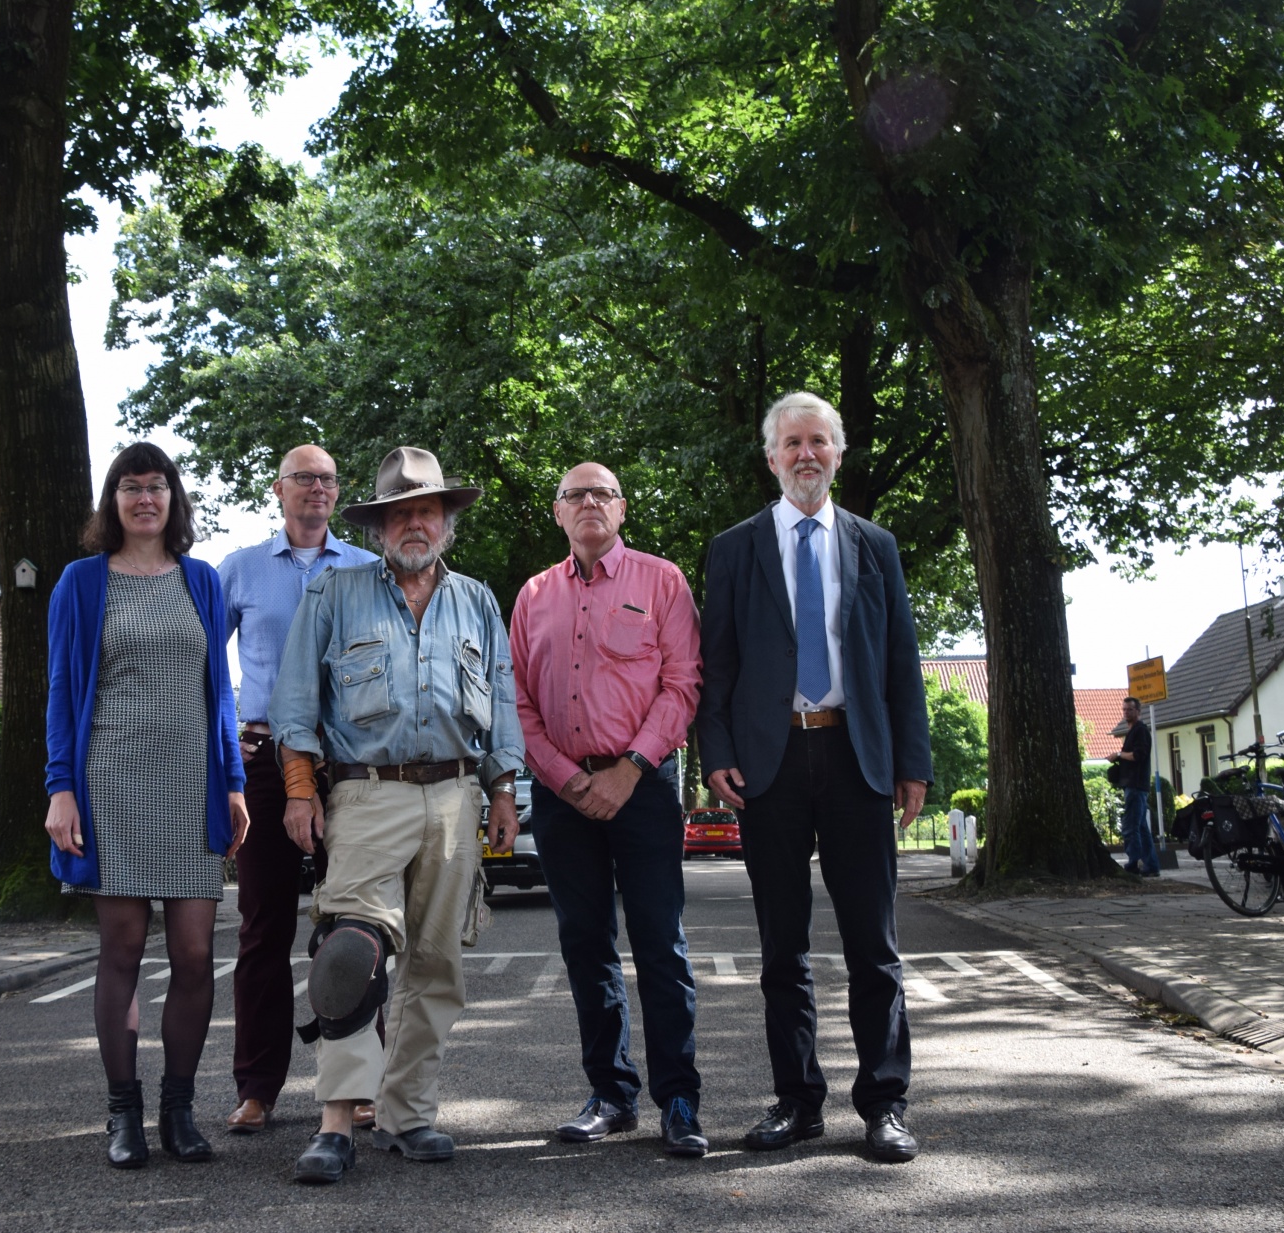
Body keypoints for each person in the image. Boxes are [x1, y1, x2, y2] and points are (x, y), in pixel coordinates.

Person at [269, 446, 525, 1184]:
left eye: (428, 511)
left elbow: (501, 701)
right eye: (401, 513)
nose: (416, 523)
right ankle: (335, 1123)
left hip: (454, 797)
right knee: (347, 954)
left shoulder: (477, 600)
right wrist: (298, 788)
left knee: (436, 966)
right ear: (380, 527)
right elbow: (295, 701)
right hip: (365, 793)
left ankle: (407, 1113)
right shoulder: (334, 591)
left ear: (446, 522)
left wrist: (502, 789)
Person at [695, 392, 933, 1165]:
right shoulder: (734, 549)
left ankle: (885, 1102)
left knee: (874, 945)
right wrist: (715, 750)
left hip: (857, 757)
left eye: (819, 441)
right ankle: (797, 1101)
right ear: (771, 457)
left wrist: (912, 762)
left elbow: (901, 661)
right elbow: (716, 663)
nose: (806, 454)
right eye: (792, 442)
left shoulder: (875, 545)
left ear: (838, 452)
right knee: (782, 949)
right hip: (769, 764)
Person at [44, 442, 249, 1170]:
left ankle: (179, 1110)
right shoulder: (80, 581)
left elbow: (220, 693)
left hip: (192, 787)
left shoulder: (202, 580)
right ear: (114, 501)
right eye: (130, 487)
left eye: (156, 486)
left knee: (195, 953)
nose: (144, 499)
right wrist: (60, 788)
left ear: (172, 499)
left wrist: (233, 782)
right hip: (111, 784)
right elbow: (61, 690)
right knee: (123, 950)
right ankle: (123, 1112)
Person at [509, 462, 706, 1157]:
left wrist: (630, 770)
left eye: (603, 493)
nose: (589, 501)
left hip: (642, 786)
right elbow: (517, 701)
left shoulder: (663, 581)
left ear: (621, 509)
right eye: (575, 494)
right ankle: (611, 1094)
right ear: (558, 513)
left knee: (660, 943)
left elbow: (682, 685)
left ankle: (678, 1098)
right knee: (585, 945)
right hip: (560, 795)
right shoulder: (533, 595)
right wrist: (565, 778)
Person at [216, 445, 377, 1135]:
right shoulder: (239, 569)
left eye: (328, 479)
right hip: (263, 761)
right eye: (304, 477)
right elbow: (203, 667)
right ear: (278, 490)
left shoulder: (367, 569)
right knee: (264, 927)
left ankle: (358, 1084)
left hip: (348, 763)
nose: (318, 487)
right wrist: (225, 748)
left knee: (357, 926)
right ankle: (258, 1086)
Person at [1111, 696, 1159, 876]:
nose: (1126, 713)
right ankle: (1151, 865)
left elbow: (1138, 755)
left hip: (1136, 785)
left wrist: (1119, 755)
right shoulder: (1133, 731)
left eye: (1130, 709)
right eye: (1124, 709)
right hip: (1133, 785)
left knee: (1131, 826)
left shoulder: (1140, 731)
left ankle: (1133, 865)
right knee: (1141, 827)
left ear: (1138, 711)